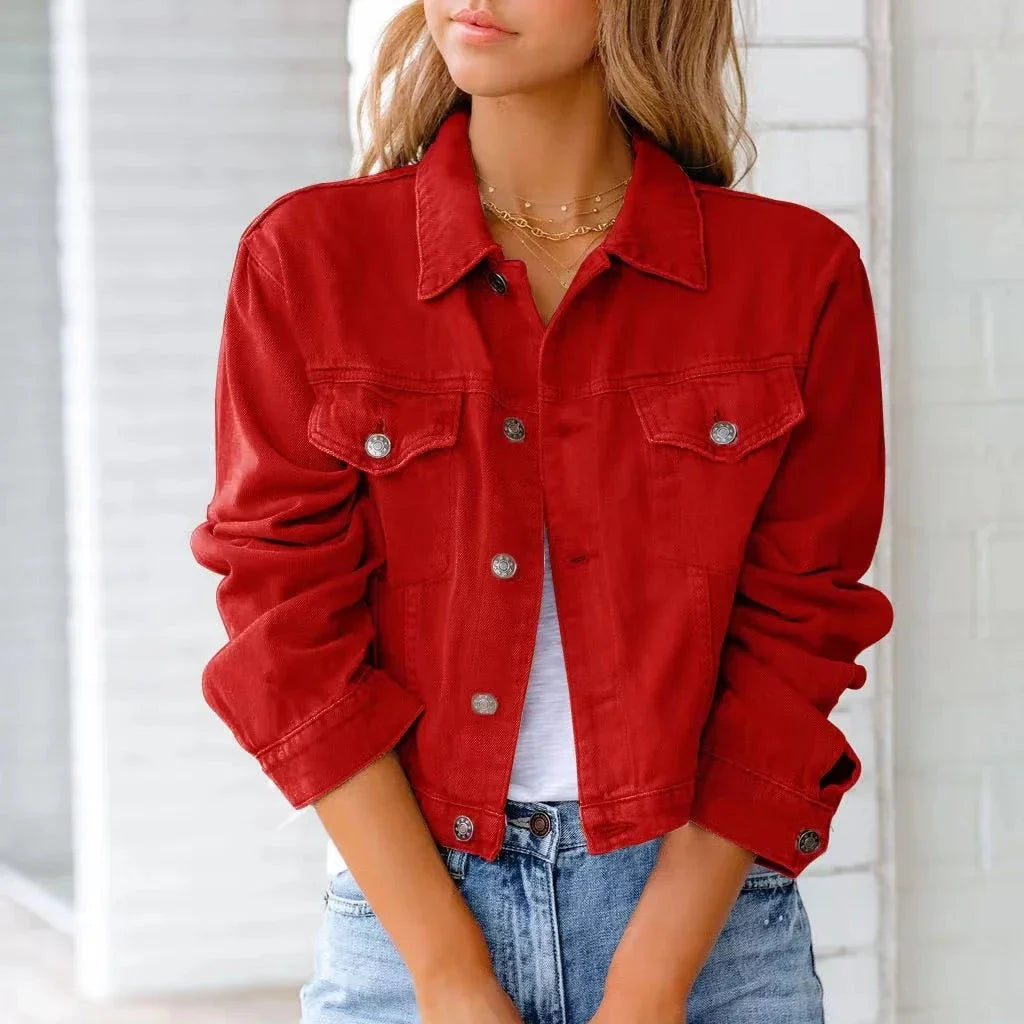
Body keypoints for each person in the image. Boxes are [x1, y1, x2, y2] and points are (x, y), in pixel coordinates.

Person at [189, 1, 894, 1021]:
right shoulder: (311, 259)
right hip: (410, 919)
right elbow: (284, 625)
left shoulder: (793, 276)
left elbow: (799, 632)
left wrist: (651, 981)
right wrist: (445, 970)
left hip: (707, 933)